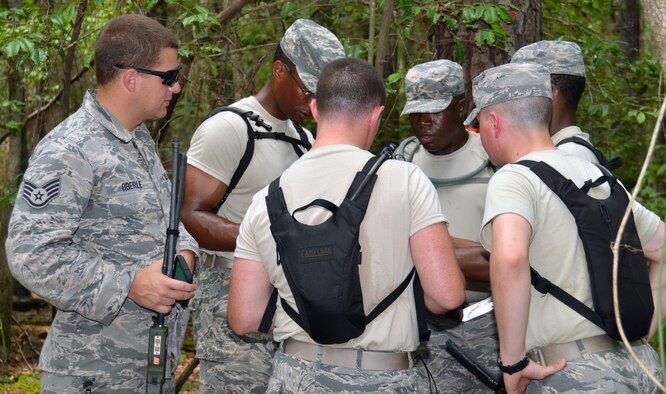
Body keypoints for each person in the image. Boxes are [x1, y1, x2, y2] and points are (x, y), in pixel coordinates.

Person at [227, 57, 466, 393]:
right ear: (376, 115)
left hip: (295, 377)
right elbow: (446, 296)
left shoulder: (267, 199)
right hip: (384, 379)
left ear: (314, 108)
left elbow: (243, 317)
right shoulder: (406, 180)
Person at [5, 14, 198, 393]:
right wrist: (129, 284)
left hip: (146, 368)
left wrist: (186, 253)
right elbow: (30, 254)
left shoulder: (137, 139)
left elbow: (164, 220)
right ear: (131, 78)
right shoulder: (70, 149)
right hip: (91, 374)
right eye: (170, 77)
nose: (175, 88)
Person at [465, 62, 666, 393]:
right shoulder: (601, 176)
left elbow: (511, 258)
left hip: (574, 376)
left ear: (494, 123)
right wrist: (643, 332)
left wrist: (512, 362)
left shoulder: (514, 178)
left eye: (479, 126)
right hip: (641, 369)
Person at [180, 19, 345, 393]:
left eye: (323, 95)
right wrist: (270, 239)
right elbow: (189, 216)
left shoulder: (304, 139)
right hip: (229, 289)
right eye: (308, 90)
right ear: (279, 71)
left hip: (290, 296)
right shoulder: (230, 128)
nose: (314, 103)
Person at [397, 59, 498, 391]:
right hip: (415, 325)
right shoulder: (402, 161)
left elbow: (516, 260)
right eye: (415, 114)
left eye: (434, 112)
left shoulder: (495, 161)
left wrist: (428, 251)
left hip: (486, 326)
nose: (423, 123)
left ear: (461, 106)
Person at [511, 40, 606, 165]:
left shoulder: (564, 158)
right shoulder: (570, 152)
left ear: (548, 91)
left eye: (521, 89)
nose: (513, 99)